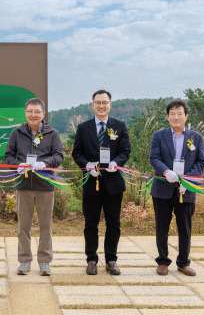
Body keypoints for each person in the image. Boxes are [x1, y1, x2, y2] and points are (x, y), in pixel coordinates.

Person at [72, 89, 131, 276]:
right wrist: (87, 165)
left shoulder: (119, 126)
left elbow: (125, 150)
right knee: (91, 223)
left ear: (110, 105)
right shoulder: (83, 128)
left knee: (113, 223)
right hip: (92, 182)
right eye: (98, 102)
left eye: (105, 102)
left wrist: (116, 163)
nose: (101, 105)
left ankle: (111, 260)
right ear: (92, 105)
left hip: (114, 183)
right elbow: (76, 152)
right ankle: (91, 259)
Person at [5, 97, 64, 276]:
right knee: (24, 225)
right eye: (30, 111)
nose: (33, 115)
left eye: (37, 112)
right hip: (23, 185)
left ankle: (44, 261)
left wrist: (45, 163)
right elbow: (9, 156)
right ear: (25, 113)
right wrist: (17, 165)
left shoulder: (52, 133)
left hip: (45, 185)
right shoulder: (17, 132)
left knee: (46, 225)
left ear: (43, 114)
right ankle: (24, 260)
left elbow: (59, 156)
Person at [149, 99, 204, 276]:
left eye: (179, 113)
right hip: (162, 188)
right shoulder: (159, 135)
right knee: (162, 227)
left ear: (186, 116)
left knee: (185, 228)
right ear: (167, 117)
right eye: (172, 114)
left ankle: (183, 262)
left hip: (186, 190)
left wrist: (187, 177)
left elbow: (201, 162)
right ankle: (163, 261)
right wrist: (166, 172)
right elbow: (154, 158)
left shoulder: (196, 137)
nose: (176, 117)